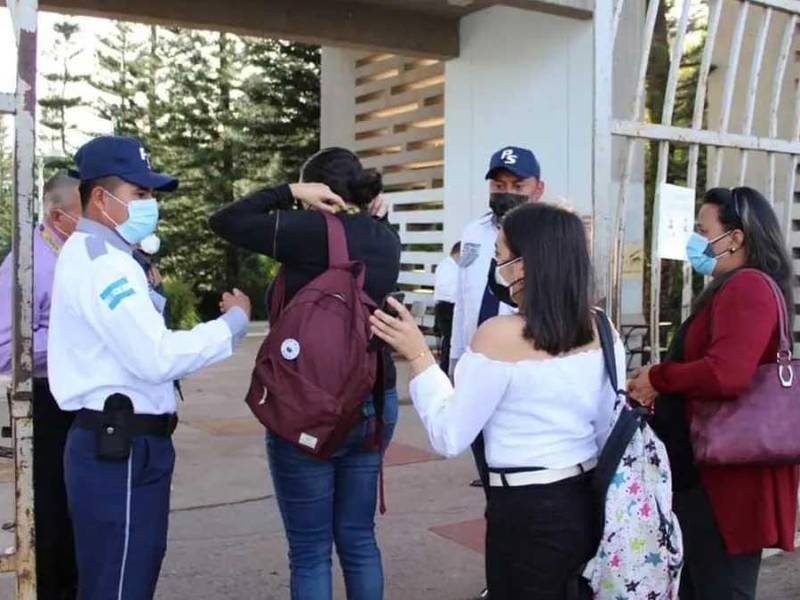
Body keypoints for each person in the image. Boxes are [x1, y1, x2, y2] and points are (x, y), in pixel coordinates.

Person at [370, 202, 621, 600]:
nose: (496, 268)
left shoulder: (500, 335)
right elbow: (608, 423)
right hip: (586, 497)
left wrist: (419, 356)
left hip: (525, 506)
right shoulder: (601, 326)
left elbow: (450, 434)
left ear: (523, 266)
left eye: (500, 257)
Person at [47, 135, 252, 599]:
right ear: (101, 198)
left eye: (152, 195)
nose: (150, 204)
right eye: (140, 194)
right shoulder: (106, 266)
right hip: (119, 449)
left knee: (119, 578)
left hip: (123, 445)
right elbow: (155, 356)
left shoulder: (106, 257)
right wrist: (231, 325)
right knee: (119, 586)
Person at [209, 147, 402, 600]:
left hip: (309, 407)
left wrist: (289, 190)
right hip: (375, 399)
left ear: (315, 191)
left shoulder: (309, 231)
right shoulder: (384, 236)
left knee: (311, 550)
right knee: (358, 538)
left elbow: (225, 220)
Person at [627, 187, 800, 600]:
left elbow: (728, 374)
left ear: (736, 237)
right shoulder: (732, 286)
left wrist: (659, 376)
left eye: (704, 230)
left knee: (721, 586)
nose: (697, 240)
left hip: (725, 482)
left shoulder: (748, 288)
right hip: (709, 472)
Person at [0, 171, 81, 599]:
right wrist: (77, 334)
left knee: (74, 515)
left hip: (76, 399)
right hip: (45, 405)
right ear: (57, 215)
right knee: (50, 517)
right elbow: (5, 346)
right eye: (84, 215)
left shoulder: (71, 252)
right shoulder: (29, 262)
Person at [433, 242, 460, 372]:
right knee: (449, 340)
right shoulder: (447, 267)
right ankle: (445, 368)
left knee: (450, 340)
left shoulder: (451, 266)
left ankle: (446, 367)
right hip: (446, 307)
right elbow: (448, 290)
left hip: (448, 306)